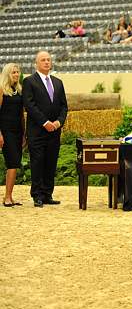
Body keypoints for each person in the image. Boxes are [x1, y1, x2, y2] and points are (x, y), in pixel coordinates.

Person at [22, 51, 68, 208]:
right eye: (43, 60)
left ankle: (48, 194)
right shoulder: (29, 81)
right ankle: (37, 195)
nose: (47, 62)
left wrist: (58, 122)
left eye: (48, 60)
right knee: (37, 162)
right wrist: (45, 122)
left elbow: (64, 106)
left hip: (54, 131)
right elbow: (30, 105)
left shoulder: (58, 82)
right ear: (36, 63)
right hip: (37, 131)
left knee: (51, 162)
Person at [0, 63, 25, 207]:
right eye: (13, 72)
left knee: (14, 163)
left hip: (17, 132)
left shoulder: (19, 90)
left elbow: (21, 114)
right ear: (7, 74)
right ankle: (7, 197)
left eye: (17, 72)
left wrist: (24, 133)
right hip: (6, 131)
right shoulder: (2, 90)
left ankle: (9, 196)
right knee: (12, 163)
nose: (16, 74)